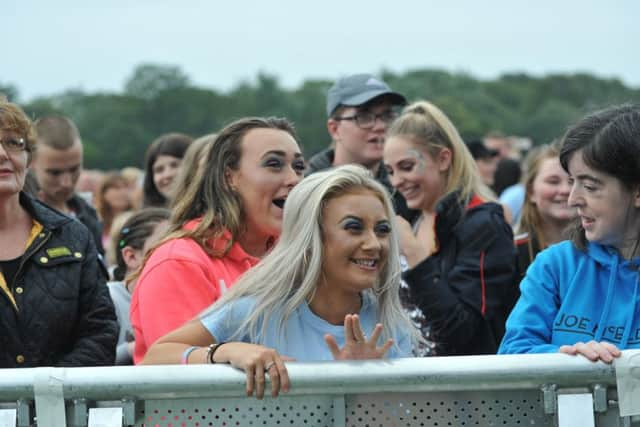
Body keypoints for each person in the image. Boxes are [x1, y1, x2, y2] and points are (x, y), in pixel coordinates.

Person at [140, 165, 420, 398]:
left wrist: (366, 388)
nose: (374, 244)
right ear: (310, 238)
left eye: (383, 230)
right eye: (353, 228)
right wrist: (226, 352)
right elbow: (156, 357)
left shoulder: (390, 323)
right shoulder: (257, 311)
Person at [131, 117, 305, 363]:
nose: (293, 179)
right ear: (229, 178)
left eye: (298, 167)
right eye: (274, 164)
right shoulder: (179, 261)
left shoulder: (302, 256)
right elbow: (169, 371)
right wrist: (224, 351)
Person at [499, 104, 640, 362]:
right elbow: (512, 352)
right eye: (572, 181)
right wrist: (565, 358)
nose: (573, 198)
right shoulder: (554, 265)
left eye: (589, 186)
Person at [383, 100, 517, 356]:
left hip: (467, 389)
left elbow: (461, 331)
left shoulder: (483, 224)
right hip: (409, 385)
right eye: (390, 171)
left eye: (407, 167)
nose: (397, 181)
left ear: (443, 158)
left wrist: (414, 253)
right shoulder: (409, 219)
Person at [0, 101, 117, 368]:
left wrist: (47, 392)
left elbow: (101, 331)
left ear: (28, 157)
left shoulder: (72, 235)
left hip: (59, 405)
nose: (3, 154)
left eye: (12, 142)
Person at [306, 73, 415, 221]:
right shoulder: (307, 192)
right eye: (364, 116)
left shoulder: (407, 190)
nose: (380, 126)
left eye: (387, 115)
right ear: (335, 129)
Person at [31, 115, 105, 254]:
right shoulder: (19, 219)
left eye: (74, 169)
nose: (66, 183)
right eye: (54, 173)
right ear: (30, 163)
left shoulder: (88, 213)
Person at [108, 208, 170, 365]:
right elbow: (88, 365)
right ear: (131, 256)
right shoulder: (109, 299)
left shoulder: (180, 298)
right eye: (164, 245)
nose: (177, 253)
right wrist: (132, 349)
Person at [514, 140, 575, 281]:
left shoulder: (605, 251)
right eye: (553, 181)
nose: (565, 190)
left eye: (573, 181)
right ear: (531, 192)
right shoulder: (510, 254)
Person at [142, 132, 192, 208]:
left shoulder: (213, 213)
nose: (167, 175)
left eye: (175, 165)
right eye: (159, 170)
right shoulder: (149, 218)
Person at [95, 172, 133, 255]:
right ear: (104, 193)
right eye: (116, 188)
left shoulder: (135, 220)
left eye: (126, 187)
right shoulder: (95, 221)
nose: (123, 192)